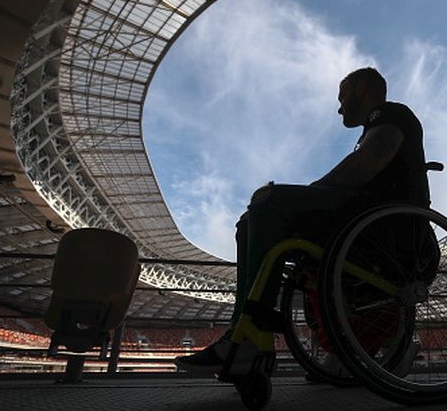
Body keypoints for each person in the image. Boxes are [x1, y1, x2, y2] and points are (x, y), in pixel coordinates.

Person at [174, 67, 430, 374]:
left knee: (268, 202)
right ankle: (244, 331)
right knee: (249, 223)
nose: (339, 107)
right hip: (364, 225)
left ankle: (249, 338)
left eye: (342, 96)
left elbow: (365, 166)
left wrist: (302, 195)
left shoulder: (391, 114)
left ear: (362, 89)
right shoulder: (376, 127)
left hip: (384, 227)